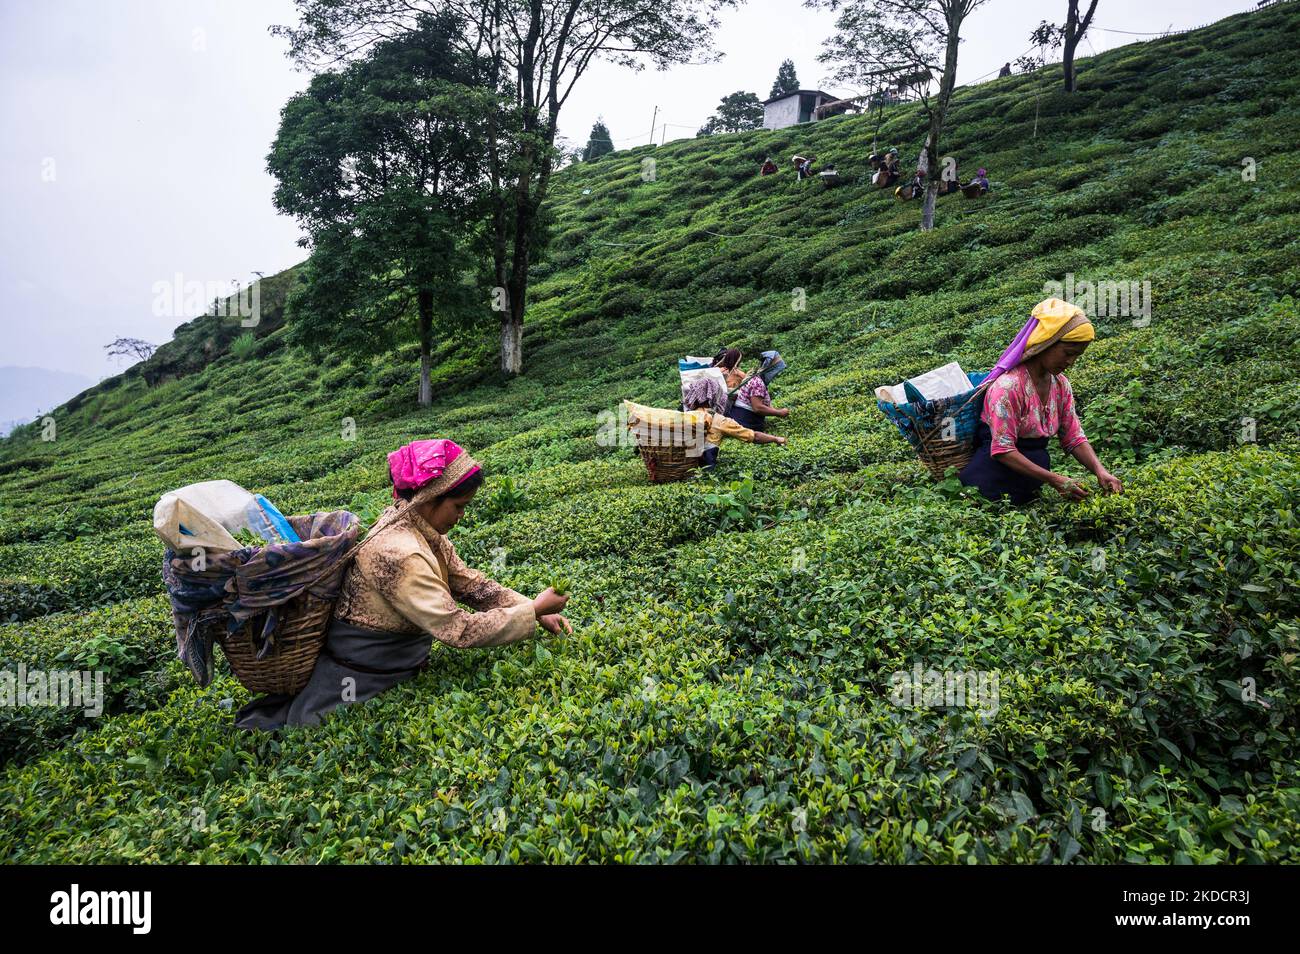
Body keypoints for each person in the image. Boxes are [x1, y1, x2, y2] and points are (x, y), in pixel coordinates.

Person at [235, 439, 572, 730]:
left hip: (399, 663)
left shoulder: (421, 529)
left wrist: (531, 610)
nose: (461, 516)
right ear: (430, 497)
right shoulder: (399, 553)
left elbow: (472, 585)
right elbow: (459, 630)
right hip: (364, 676)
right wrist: (532, 609)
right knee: (307, 725)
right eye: (458, 506)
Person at [958, 299, 1123, 505]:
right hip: (989, 488)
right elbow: (1003, 451)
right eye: (1068, 353)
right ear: (1046, 343)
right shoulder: (1008, 387)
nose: (1070, 362)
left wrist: (1100, 471)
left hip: (1031, 486)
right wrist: (1054, 480)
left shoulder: (1060, 385)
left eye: (1077, 356)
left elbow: (1073, 436)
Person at [682, 377, 785, 468]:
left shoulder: (684, 416)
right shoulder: (720, 421)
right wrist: (776, 439)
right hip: (702, 469)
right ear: (716, 396)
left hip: (679, 467)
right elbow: (754, 436)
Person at [728, 352, 790, 433]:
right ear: (771, 368)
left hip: (741, 416)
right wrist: (779, 413)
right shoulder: (757, 382)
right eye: (776, 370)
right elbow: (757, 408)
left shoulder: (756, 377)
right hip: (745, 420)